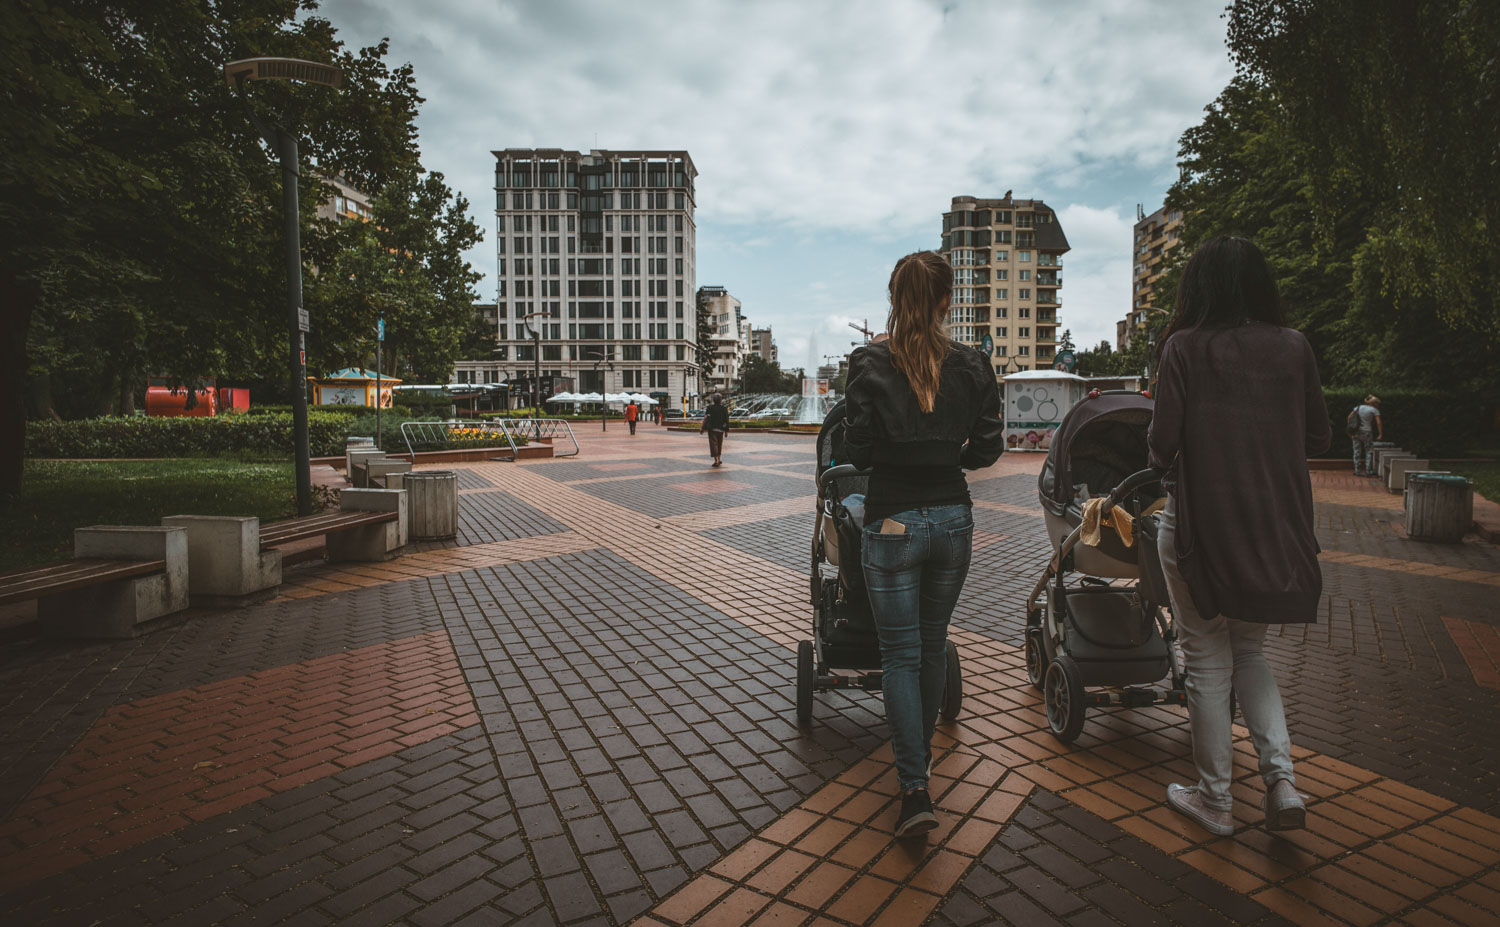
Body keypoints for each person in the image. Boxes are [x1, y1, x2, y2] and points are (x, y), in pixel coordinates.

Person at [1147, 236, 1329, 837]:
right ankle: (1282, 782)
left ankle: (1215, 799)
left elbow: (1161, 445)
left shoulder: (1183, 348)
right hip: (1274, 525)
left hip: (1200, 524)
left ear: (1200, 287)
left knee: (1205, 657)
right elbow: (1319, 438)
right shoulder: (1295, 348)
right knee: (1251, 653)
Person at [844, 250, 1005, 838]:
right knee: (932, 646)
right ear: (945, 300)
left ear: (894, 298)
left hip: (891, 522)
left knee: (899, 657)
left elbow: (857, 451)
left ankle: (915, 789)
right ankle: (922, 755)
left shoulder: (868, 361)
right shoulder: (973, 364)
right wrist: (945, 460)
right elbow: (988, 447)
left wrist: (899, 458)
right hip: (953, 520)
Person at [1350, 395, 1383, 477]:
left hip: (1356, 431)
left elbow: (1349, 417)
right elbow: (1378, 422)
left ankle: (1357, 470)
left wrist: (1351, 429)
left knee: (1356, 450)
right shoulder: (1374, 410)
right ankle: (1368, 470)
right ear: (1375, 404)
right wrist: (1380, 434)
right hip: (1367, 432)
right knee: (1368, 450)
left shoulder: (1358, 407)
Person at [701, 393, 729, 466]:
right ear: (721, 400)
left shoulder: (710, 408)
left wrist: (703, 428)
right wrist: (726, 431)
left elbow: (706, 418)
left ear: (713, 400)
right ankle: (718, 459)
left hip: (712, 429)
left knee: (714, 445)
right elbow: (726, 420)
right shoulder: (724, 408)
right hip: (720, 429)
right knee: (719, 444)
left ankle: (716, 460)